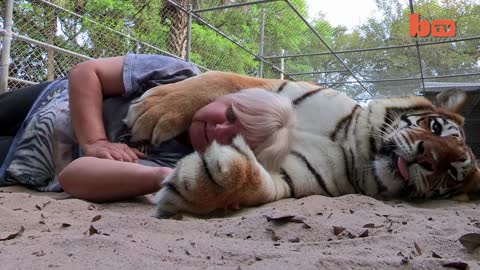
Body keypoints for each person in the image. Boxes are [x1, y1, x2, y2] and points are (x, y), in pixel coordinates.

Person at [0, 54, 295, 202]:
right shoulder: (180, 76)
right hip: (44, 101)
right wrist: (95, 141)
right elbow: (85, 72)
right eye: (230, 115)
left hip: (25, 162)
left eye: (231, 141)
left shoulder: (180, 163)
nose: (218, 129)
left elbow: (72, 177)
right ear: (228, 95)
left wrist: (164, 177)